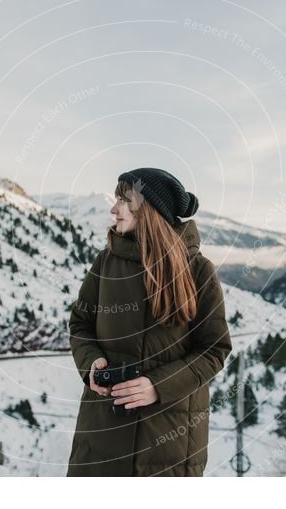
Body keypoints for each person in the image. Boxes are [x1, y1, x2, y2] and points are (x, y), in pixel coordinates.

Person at [66, 167, 233, 477]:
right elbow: (80, 324)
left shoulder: (198, 271)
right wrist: (91, 362)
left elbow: (214, 349)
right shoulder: (105, 262)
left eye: (124, 201)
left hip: (168, 441)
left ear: (149, 211)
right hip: (102, 434)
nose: (114, 209)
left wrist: (159, 386)